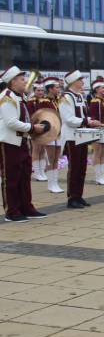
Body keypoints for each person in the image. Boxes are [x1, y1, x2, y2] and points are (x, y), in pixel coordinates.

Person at [0, 66, 48, 222]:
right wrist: (33, 128)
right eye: (22, 79)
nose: (25, 81)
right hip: (9, 142)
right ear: (13, 81)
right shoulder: (6, 97)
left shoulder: (20, 97)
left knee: (25, 175)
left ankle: (26, 207)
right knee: (11, 178)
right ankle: (12, 211)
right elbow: (11, 122)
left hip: (22, 140)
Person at [60, 70, 102, 209]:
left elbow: (83, 115)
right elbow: (69, 119)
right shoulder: (66, 97)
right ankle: (72, 198)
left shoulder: (79, 96)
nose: (83, 82)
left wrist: (90, 120)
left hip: (82, 136)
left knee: (82, 168)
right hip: (72, 137)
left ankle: (78, 195)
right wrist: (87, 121)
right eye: (80, 80)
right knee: (74, 168)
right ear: (73, 82)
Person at [37, 77, 64, 193]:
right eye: (57, 87)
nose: (59, 89)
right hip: (49, 132)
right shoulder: (44, 101)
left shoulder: (57, 100)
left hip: (59, 131)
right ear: (50, 89)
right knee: (50, 158)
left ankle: (55, 182)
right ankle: (51, 184)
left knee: (56, 158)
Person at [89, 78, 104, 185]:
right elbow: (92, 116)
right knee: (97, 152)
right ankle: (98, 176)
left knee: (103, 152)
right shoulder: (94, 102)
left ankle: (102, 175)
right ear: (96, 89)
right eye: (102, 88)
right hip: (97, 129)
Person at [27, 83, 48, 182]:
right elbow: (30, 116)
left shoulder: (45, 100)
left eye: (42, 90)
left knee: (42, 150)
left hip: (44, 127)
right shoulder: (31, 102)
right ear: (34, 91)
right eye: (38, 90)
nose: (40, 92)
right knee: (36, 149)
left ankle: (42, 171)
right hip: (35, 128)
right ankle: (36, 172)